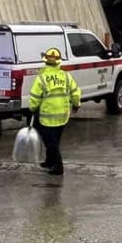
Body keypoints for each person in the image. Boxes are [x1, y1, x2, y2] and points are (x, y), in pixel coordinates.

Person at [28, 47, 81, 176]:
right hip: (63, 115)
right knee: (55, 140)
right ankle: (50, 161)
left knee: (50, 142)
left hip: (47, 117)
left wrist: (33, 109)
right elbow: (75, 92)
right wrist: (76, 104)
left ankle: (58, 166)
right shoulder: (66, 76)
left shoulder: (41, 78)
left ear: (45, 62)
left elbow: (34, 97)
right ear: (59, 62)